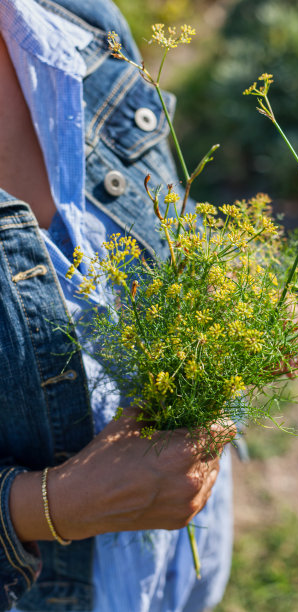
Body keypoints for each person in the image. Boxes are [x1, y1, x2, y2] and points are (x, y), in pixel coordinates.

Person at [0, 0, 234, 610]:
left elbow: (165, 216)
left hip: (181, 561)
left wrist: (231, 298)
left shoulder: (73, 17)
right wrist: (49, 507)